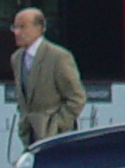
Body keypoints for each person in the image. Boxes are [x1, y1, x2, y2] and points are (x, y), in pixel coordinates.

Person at [9, 8, 84, 145]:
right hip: (30, 136)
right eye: (15, 27)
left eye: (22, 27)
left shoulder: (58, 57)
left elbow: (76, 98)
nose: (17, 32)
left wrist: (58, 125)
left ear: (39, 28)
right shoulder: (17, 58)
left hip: (57, 138)